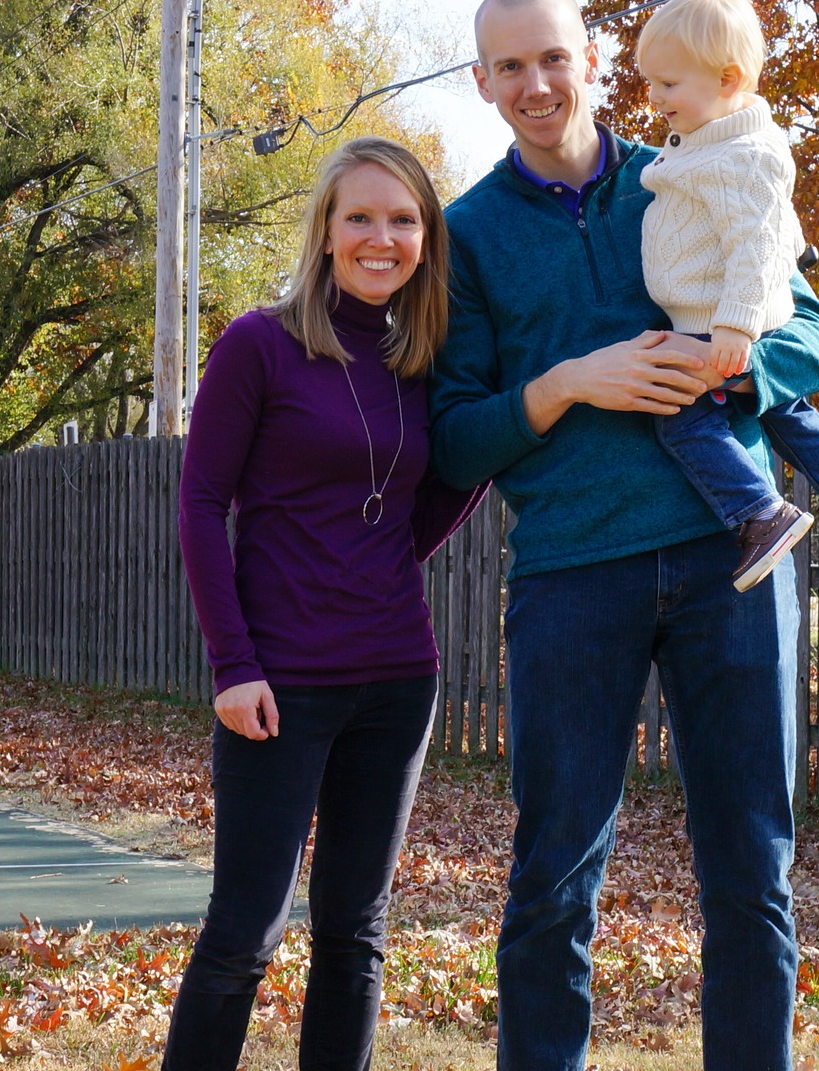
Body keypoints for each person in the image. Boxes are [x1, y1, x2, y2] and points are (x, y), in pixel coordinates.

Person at [429, 0, 819, 1071]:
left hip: (734, 565)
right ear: (482, 82)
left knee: (750, 871)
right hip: (572, 577)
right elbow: (455, 436)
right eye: (510, 65)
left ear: (589, 62)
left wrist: (737, 361)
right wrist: (571, 380)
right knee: (552, 873)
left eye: (552, 58)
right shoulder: (465, 236)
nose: (535, 83)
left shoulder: (698, 161)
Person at [167, 137, 484, 1071]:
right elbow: (199, 503)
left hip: (397, 683)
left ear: (425, 239)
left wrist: (369, 568)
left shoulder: (422, 361)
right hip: (279, 687)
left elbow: (444, 487)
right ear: (326, 229)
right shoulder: (259, 344)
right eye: (360, 217)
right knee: (245, 932)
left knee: (356, 933)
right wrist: (233, 663)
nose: (380, 238)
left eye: (402, 220)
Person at [635, 0, 819, 590]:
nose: (655, 98)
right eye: (653, 83)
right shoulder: (713, 146)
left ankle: (760, 512)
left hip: (717, 319)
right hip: (712, 314)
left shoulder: (742, 157)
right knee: (782, 407)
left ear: (727, 80)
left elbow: (757, 245)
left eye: (669, 85)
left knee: (680, 418)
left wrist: (734, 325)